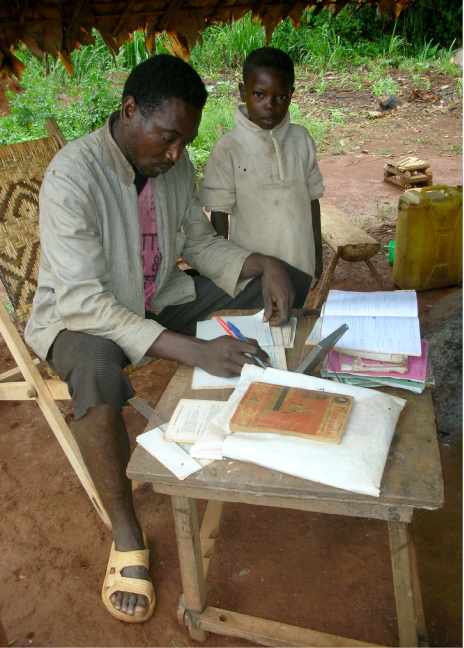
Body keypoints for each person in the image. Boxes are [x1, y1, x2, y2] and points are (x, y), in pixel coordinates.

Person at [25, 54, 312, 624]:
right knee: (97, 370)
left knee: (287, 282)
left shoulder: (170, 166)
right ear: (131, 111)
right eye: (168, 138)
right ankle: (127, 533)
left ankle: (265, 407)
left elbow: (202, 245)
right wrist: (194, 350)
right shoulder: (72, 174)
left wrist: (266, 262)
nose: (178, 155)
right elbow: (83, 300)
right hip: (80, 321)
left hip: (160, 296)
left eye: (185, 142)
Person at [198, 47, 325, 288]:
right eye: (259, 95)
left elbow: (312, 201)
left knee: (294, 321)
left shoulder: (301, 140)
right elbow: (219, 214)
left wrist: (317, 256)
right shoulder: (228, 147)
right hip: (250, 276)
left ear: (291, 94)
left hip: (300, 264)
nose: (270, 105)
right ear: (243, 92)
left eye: (280, 97)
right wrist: (221, 270)